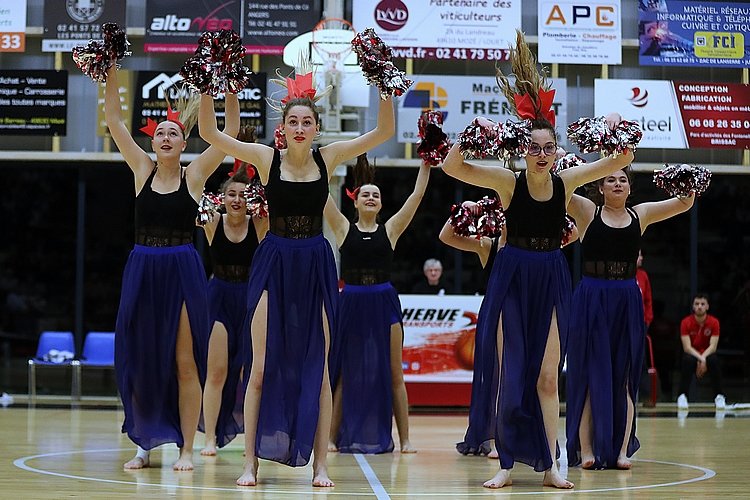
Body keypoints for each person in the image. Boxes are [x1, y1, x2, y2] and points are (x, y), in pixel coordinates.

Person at [441, 29, 633, 489]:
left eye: (549, 148)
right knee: (512, 373)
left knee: (548, 378)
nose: (542, 155)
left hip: (551, 275)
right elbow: (452, 166)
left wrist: (613, 122)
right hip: (513, 274)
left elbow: (620, 158)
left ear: (556, 151)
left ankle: (551, 466)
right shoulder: (508, 182)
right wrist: (473, 133)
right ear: (523, 151)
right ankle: (506, 464)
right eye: (534, 147)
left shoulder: (568, 181)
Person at [198, 59, 395, 486]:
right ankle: (250, 462)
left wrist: (383, 82)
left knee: (319, 370)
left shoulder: (329, 157)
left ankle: (320, 465)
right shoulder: (266, 158)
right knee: (260, 366)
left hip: (315, 262)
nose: (300, 128)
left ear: (317, 128)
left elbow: (383, 132)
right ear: (283, 129)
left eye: (307, 122)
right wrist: (208, 83)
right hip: (274, 260)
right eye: (293, 122)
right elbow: (210, 134)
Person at [104, 64, 240, 470]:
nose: (165, 137)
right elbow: (114, 121)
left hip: (181, 268)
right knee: (143, 359)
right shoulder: (141, 170)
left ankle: (185, 449)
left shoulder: (194, 175)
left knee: (185, 362)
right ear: (153, 141)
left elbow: (230, 130)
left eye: (173, 133)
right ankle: (143, 446)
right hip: (143, 267)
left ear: (183, 143)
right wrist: (109, 71)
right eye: (160, 132)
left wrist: (223, 84)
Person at [565, 168, 695, 470]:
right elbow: (560, 188)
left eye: (622, 179)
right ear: (600, 187)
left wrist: (686, 180)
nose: (617, 183)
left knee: (624, 378)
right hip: (592, 297)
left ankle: (622, 451)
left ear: (630, 187)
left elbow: (684, 203)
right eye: (610, 179)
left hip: (626, 298)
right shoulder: (587, 211)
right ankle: (587, 450)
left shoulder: (641, 214)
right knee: (589, 376)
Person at [325, 154, 428, 454]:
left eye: (376, 195)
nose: (371, 198)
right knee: (344, 373)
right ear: (355, 202)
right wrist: (316, 160)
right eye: (365, 194)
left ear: (381, 204)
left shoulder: (391, 230)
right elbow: (321, 193)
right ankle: (330, 438)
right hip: (352, 301)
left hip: (384, 301)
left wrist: (426, 162)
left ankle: (405, 439)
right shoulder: (343, 229)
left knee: (395, 373)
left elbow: (416, 196)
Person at [199, 136, 269, 456]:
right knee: (216, 371)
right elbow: (194, 190)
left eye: (243, 195)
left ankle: (251, 440)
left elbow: (271, 194)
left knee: (249, 373)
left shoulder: (260, 223)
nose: (237, 199)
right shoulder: (213, 222)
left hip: (250, 299)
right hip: (219, 296)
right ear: (222, 198)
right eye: (231, 194)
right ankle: (209, 437)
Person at [677, 294, 725, 410]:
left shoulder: (714, 322)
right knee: (687, 360)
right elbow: (687, 347)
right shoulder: (685, 322)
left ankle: (719, 396)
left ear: (707, 306)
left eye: (702, 304)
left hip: (707, 354)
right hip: (693, 355)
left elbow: (713, 347)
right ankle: (682, 396)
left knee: (714, 360)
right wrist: (701, 359)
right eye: (697, 304)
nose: (699, 306)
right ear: (693, 306)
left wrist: (703, 359)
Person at [636, 250, 653, 328]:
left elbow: (648, 299)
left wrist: (648, 319)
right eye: (639, 255)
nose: (641, 258)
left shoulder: (643, 275)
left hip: (641, 322)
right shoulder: (623, 276)